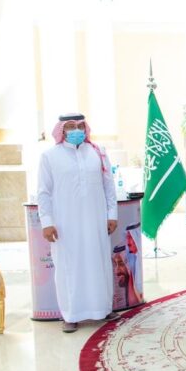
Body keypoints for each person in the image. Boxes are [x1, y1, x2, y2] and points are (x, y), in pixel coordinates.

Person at [37, 113, 119, 333]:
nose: (76, 130)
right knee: (68, 267)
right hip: (65, 224)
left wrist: (112, 215)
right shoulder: (49, 156)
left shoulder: (98, 152)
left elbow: (109, 186)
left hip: (96, 221)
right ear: (62, 129)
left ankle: (103, 309)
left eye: (80, 126)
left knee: (98, 263)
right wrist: (47, 222)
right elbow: (43, 192)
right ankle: (71, 315)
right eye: (71, 126)